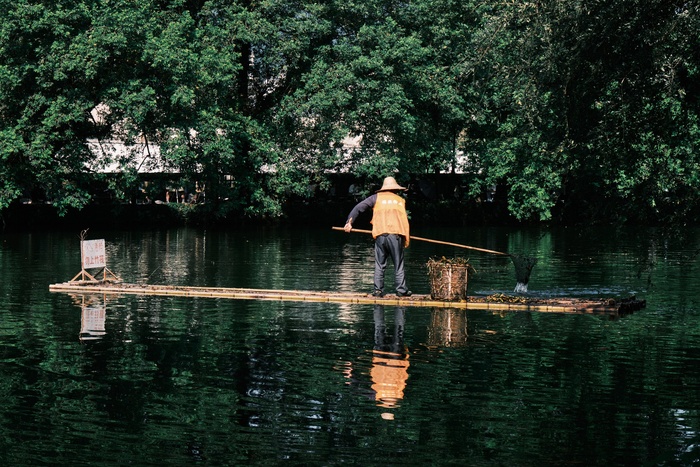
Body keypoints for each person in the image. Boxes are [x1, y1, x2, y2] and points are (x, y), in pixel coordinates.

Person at [344, 177, 412, 297]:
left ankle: (378, 291)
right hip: (395, 235)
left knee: (380, 264)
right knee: (398, 264)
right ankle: (401, 290)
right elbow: (404, 221)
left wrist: (349, 222)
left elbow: (358, 208)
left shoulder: (376, 198)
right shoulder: (400, 200)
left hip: (380, 235)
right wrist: (406, 238)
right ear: (395, 189)